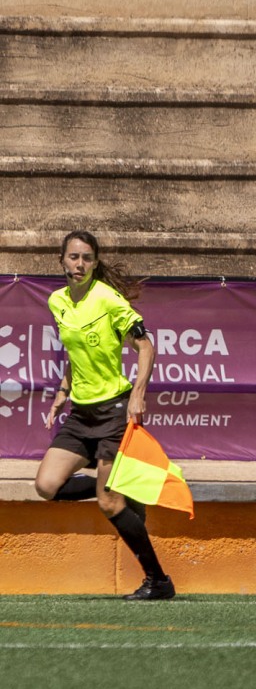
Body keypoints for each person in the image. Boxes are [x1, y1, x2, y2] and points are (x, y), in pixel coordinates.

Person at [32, 231, 174, 601]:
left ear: (95, 263)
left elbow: (146, 345)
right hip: (81, 414)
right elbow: (75, 353)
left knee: (108, 503)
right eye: (73, 257)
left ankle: (158, 581)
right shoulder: (57, 301)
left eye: (87, 258)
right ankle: (118, 485)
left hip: (114, 411)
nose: (79, 264)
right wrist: (62, 391)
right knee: (46, 486)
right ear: (62, 260)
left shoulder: (109, 299)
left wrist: (138, 395)